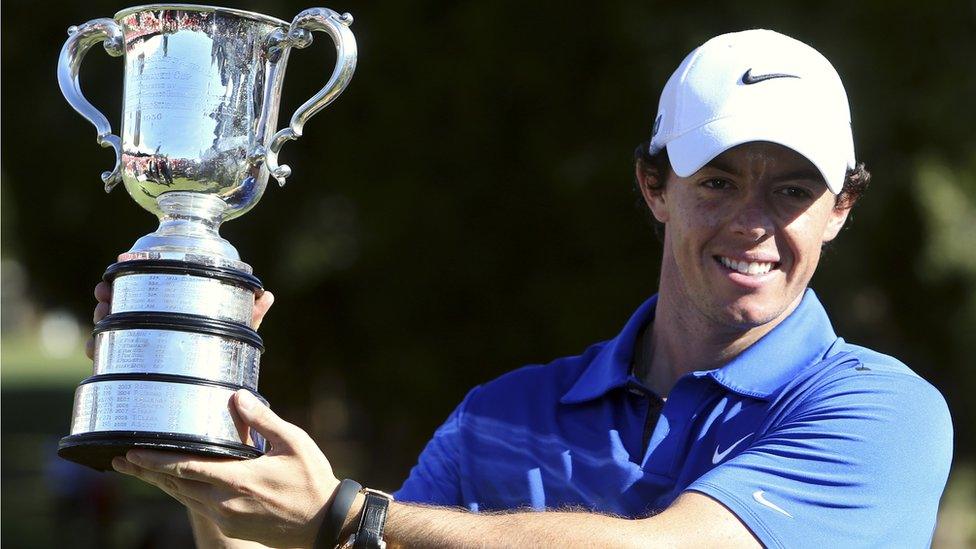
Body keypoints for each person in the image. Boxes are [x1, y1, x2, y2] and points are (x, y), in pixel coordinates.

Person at [91, 29, 953, 548]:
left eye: (793, 191)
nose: (754, 223)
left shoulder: (882, 413)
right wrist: (207, 412)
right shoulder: (502, 415)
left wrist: (351, 516)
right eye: (718, 182)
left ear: (841, 209)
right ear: (655, 188)